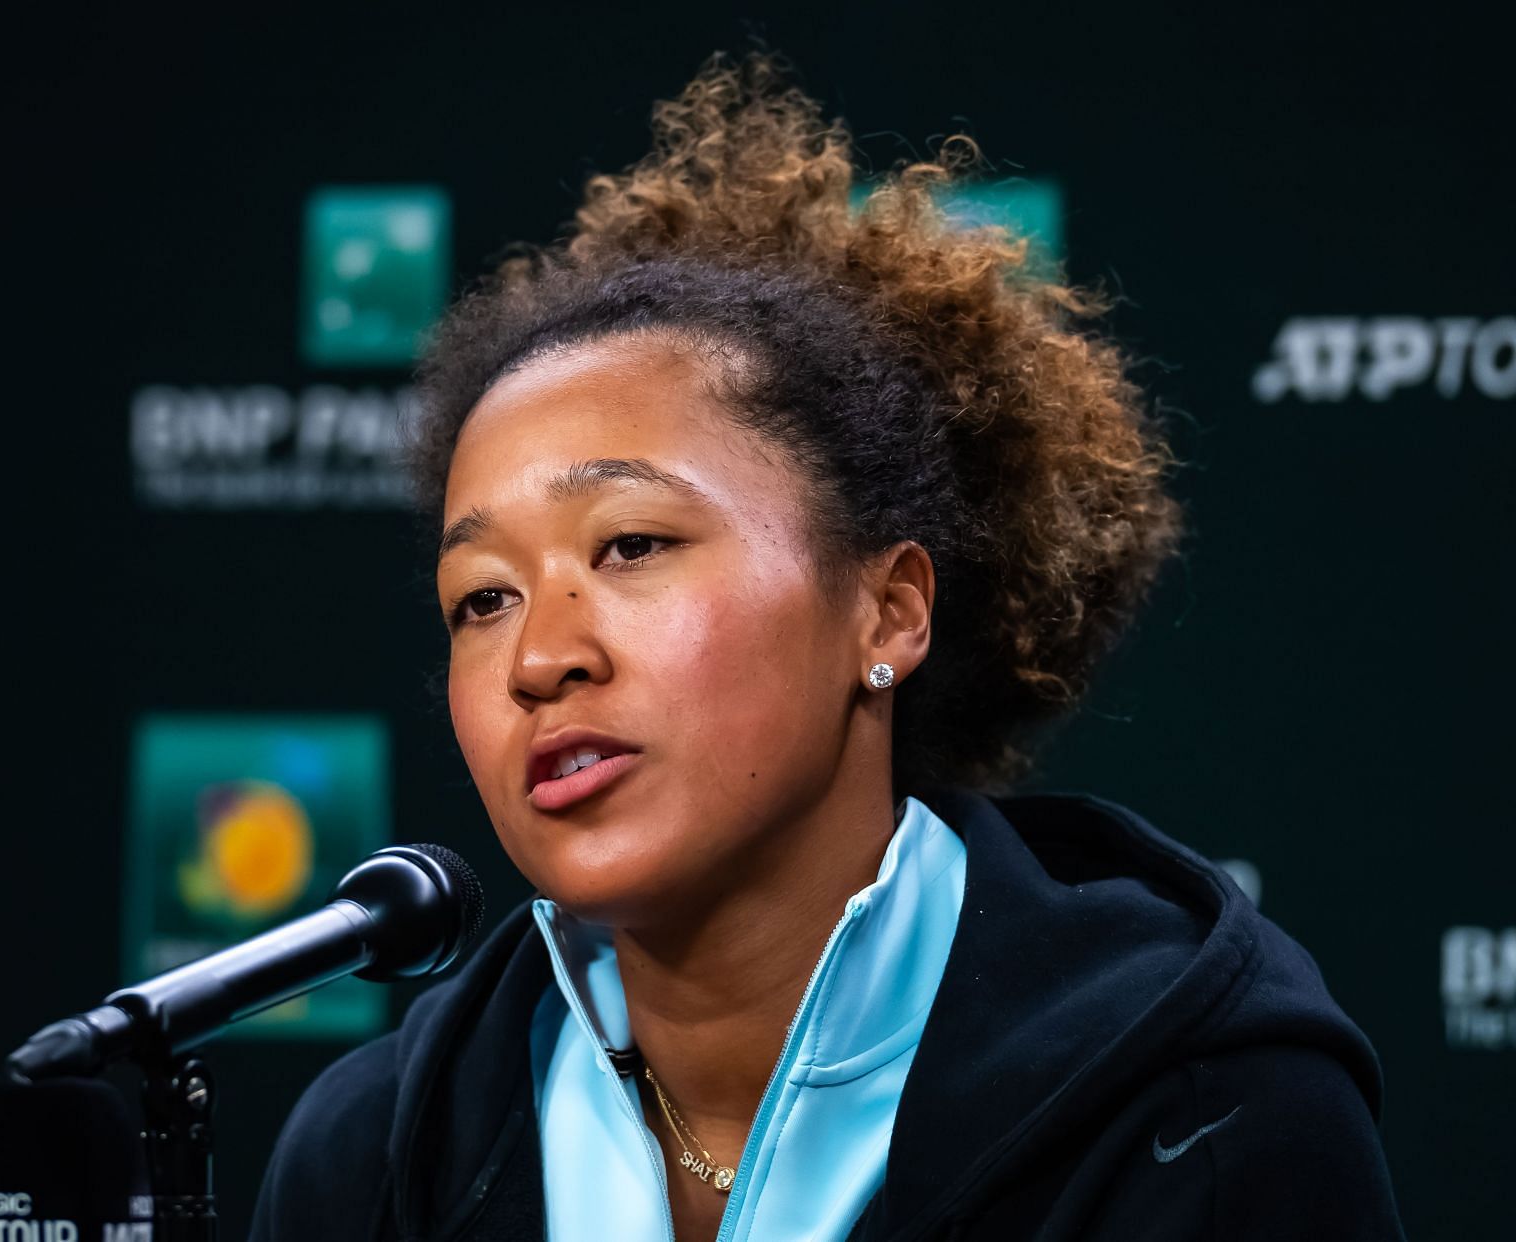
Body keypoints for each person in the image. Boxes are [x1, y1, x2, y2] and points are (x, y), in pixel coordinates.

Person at [249, 53, 1404, 1241]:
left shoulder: (1209, 1117)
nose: (540, 658)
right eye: (481, 598)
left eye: (633, 544)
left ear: (889, 612)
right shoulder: (366, 1158)